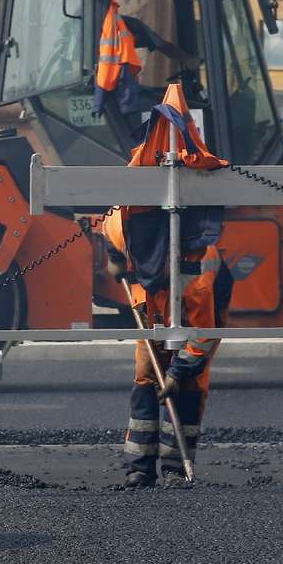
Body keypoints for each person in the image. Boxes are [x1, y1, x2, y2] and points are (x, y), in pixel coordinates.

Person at [101, 85, 234, 488]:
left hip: (190, 318)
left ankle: (176, 469)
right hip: (151, 310)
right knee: (146, 377)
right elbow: (110, 227)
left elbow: (204, 334)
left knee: (187, 386)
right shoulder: (132, 224)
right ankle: (139, 469)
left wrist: (179, 370)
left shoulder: (201, 269)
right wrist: (113, 258)